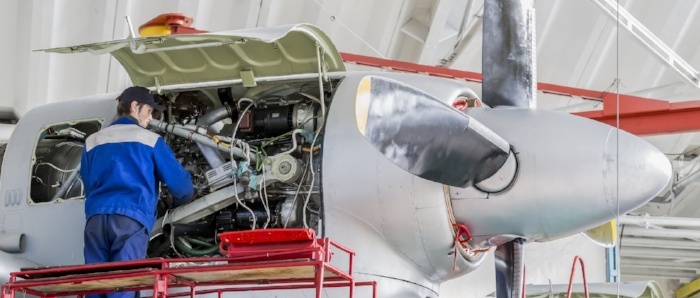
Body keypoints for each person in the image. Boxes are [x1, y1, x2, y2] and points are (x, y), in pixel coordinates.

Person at [80, 86, 194, 297]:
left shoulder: (91, 142)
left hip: (95, 221)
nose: (150, 118)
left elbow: (88, 185)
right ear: (134, 106)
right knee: (124, 284)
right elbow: (181, 186)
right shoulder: (149, 140)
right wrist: (178, 205)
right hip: (130, 220)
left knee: (94, 283)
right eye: (149, 111)